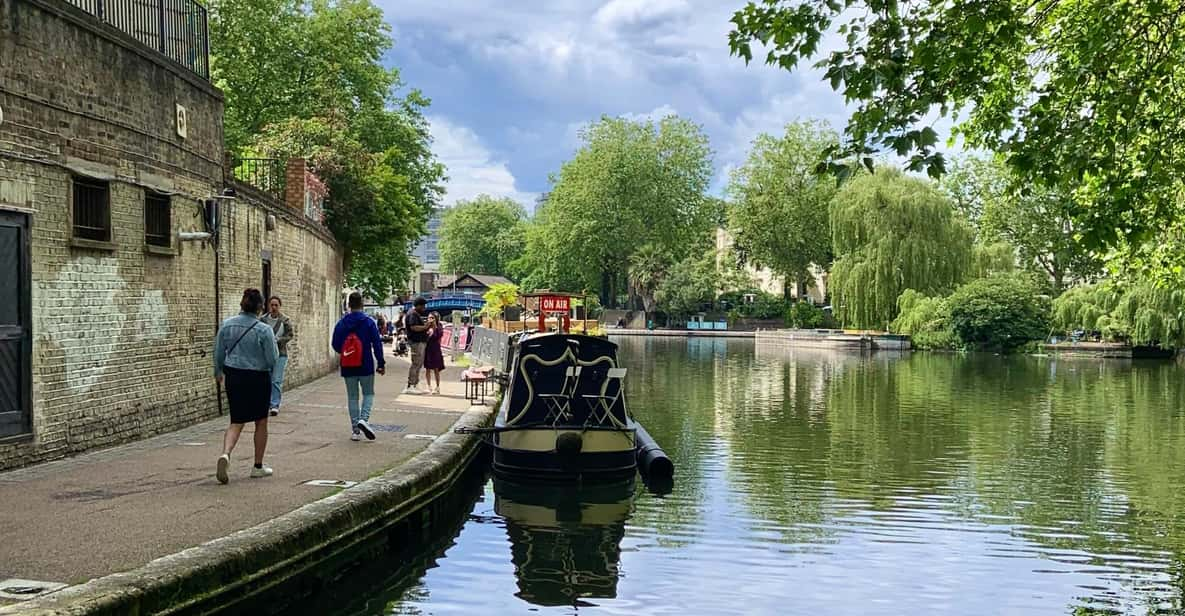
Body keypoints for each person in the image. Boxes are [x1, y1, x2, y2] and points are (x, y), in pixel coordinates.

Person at [214, 288, 279, 484]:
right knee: (261, 421)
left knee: (236, 420)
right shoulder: (264, 330)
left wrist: (218, 372)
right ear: (260, 307)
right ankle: (257, 466)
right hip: (258, 378)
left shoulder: (227, 325)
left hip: (234, 375)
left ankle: (225, 454)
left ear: (242, 305)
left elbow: (218, 352)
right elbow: (272, 358)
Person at [332, 292, 386, 441]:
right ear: (362, 304)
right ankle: (364, 419)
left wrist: (346, 353)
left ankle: (355, 430)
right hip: (366, 364)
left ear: (348, 305)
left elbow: (335, 344)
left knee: (352, 397)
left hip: (348, 365)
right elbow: (377, 344)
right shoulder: (369, 322)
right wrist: (380, 363)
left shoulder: (341, 323)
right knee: (368, 393)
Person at [261, 296, 295, 417]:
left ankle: (275, 405)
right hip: (265, 354)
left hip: (280, 353)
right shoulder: (262, 320)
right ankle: (267, 403)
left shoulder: (285, 320)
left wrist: (279, 340)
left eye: (276, 305)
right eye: (272, 305)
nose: (274, 307)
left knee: (276, 379)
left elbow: (290, 335)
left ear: (279, 306)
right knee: (266, 379)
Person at [402, 297, 429, 395]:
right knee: (416, 363)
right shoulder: (412, 314)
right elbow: (413, 327)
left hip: (419, 342)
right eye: (422, 306)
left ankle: (415, 383)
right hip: (416, 342)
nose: (424, 308)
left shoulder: (413, 313)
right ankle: (410, 385)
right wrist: (425, 327)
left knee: (418, 363)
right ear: (418, 305)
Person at [423, 312, 445, 394]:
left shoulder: (439, 326)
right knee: (427, 369)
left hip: (435, 349)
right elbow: (423, 336)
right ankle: (429, 386)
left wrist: (435, 326)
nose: (430, 319)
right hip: (427, 349)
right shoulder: (426, 326)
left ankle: (437, 386)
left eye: (432, 318)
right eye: (429, 318)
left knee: (436, 369)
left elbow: (438, 336)